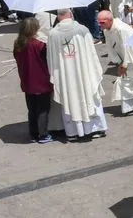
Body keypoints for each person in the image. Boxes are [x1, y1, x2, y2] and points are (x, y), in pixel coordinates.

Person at [46, 9, 108, 140]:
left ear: (58, 16)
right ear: (70, 14)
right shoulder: (82, 30)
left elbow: (51, 58)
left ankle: (73, 131)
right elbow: (91, 53)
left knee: (69, 98)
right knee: (89, 93)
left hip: (65, 74)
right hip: (85, 71)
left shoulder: (52, 34)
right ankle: (95, 128)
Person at [13, 17, 53, 144]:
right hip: (41, 81)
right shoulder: (39, 45)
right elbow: (48, 60)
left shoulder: (18, 44)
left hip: (27, 81)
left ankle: (33, 133)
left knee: (32, 108)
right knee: (43, 109)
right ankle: (43, 134)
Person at [97, 9, 133, 115]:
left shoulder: (122, 29)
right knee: (126, 81)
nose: (100, 25)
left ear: (110, 20)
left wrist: (125, 64)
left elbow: (129, 47)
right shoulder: (107, 30)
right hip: (122, 58)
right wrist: (117, 62)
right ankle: (129, 107)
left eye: (102, 22)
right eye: (98, 22)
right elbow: (110, 47)